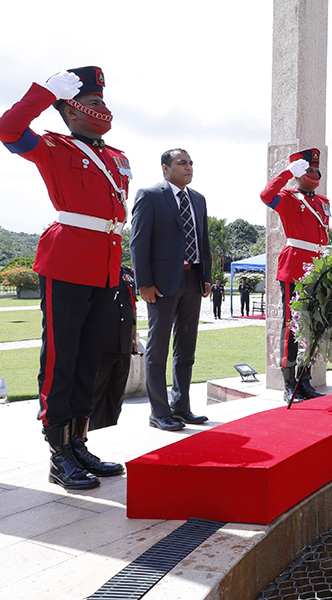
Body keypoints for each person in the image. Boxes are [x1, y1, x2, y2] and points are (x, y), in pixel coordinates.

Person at [0, 66, 128, 489]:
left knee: (89, 360)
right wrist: (43, 92)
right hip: (67, 263)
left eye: (103, 102)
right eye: (93, 103)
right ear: (70, 112)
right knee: (61, 361)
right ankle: (59, 455)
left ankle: (79, 444)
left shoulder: (114, 157)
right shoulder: (53, 147)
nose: (102, 109)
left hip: (104, 267)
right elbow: (8, 129)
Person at [130, 149, 212, 431]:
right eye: (182, 163)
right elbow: (138, 243)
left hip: (193, 282)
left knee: (186, 349)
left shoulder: (198, 199)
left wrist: (207, 277)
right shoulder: (150, 196)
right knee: (158, 349)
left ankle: (181, 407)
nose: (189, 167)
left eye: (191, 163)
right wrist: (144, 283)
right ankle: (159, 412)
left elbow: (204, 241)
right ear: (166, 168)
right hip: (161, 286)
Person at [259, 147, 329, 401]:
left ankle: (304, 379)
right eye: (307, 169)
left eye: (314, 169)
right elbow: (266, 196)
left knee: (313, 327)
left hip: (318, 272)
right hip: (294, 269)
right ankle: (289, 384)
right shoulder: (288, 197)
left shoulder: (323, 202)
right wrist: (287, 172)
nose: (312, 173)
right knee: (292, 325)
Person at [90, 263, 139, 430]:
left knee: (116, 394)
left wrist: (134, 337)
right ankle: (90, 432)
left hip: (123, 343)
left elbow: (132, 306)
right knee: (95, 394)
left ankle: (111, 429)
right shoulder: (94, 268)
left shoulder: (127, 273)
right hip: (102, 342)